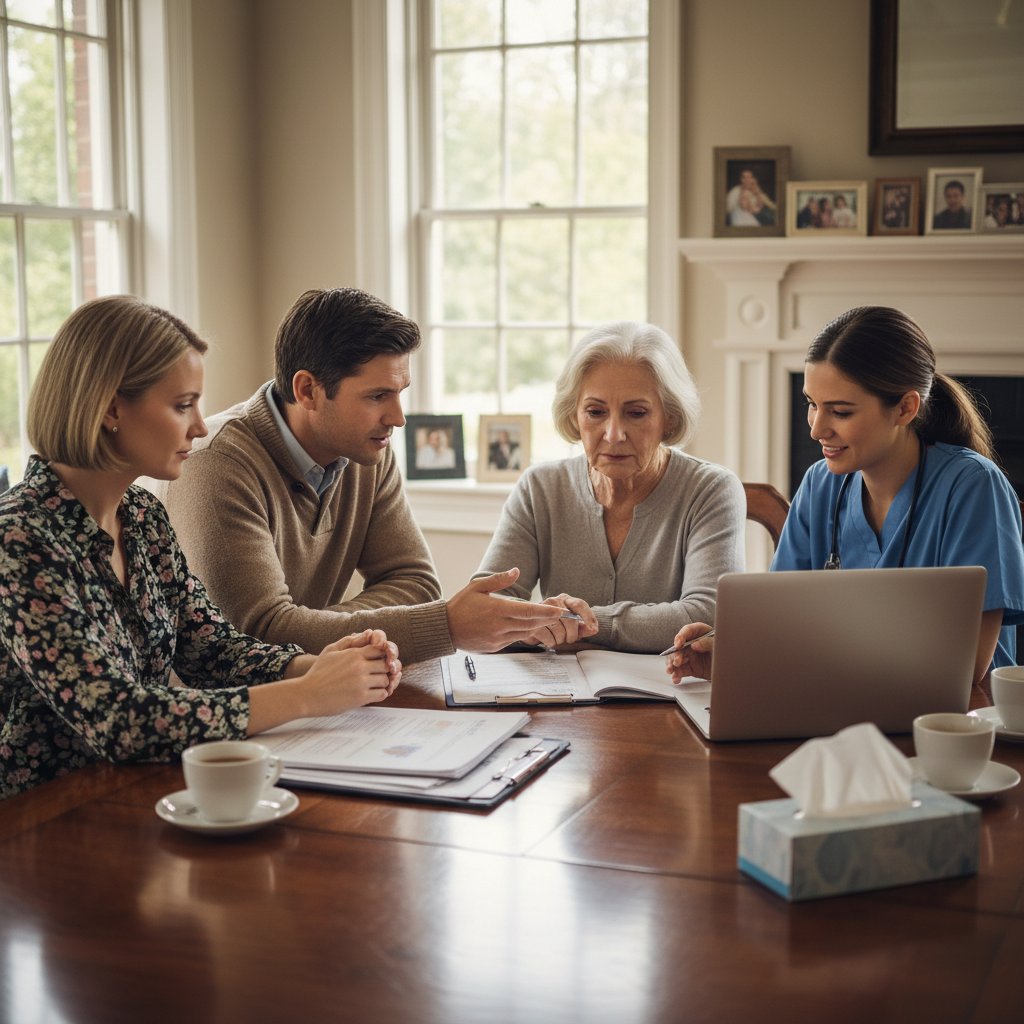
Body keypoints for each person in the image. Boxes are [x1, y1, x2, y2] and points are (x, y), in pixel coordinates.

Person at [0, 296, 402, 799]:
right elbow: (119, 719)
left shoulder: (143, 518)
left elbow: (210, 650)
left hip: (141, 794)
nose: (199, 426)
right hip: (42, 821)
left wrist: (315, 666)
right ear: (110, 409)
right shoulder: (19, 540)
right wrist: (305, 694)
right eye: (182, 405)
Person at [163, 287, 563, 663]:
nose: (398, 418)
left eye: (400, 392)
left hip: (324, 690)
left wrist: (311, 626)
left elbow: (416, 581)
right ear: (307, 391)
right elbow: (257, 637)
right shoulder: (216, 463)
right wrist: (442, 625)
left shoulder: (366, 450)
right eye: (377, 396)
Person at [667, 306, 1024, 689]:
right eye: (811, 404)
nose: (818, 428)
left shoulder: (972, 486)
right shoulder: (821, 485)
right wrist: (729, 653)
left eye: (840, 411)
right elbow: (785, 626)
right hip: (837, 699)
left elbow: (966, 667)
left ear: (905, 408)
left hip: (954, 719)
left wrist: (820, 656)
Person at [475, 321, 746, 654]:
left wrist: (584, 622)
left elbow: (708, 615)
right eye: (595, 412)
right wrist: (531, 627)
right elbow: (486, 606)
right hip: (561, 698)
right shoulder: (540, 488)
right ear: (574, 417)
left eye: (636, 413)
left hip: (666, 696)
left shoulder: (711, 490)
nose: (614, 433)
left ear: (669, 419)